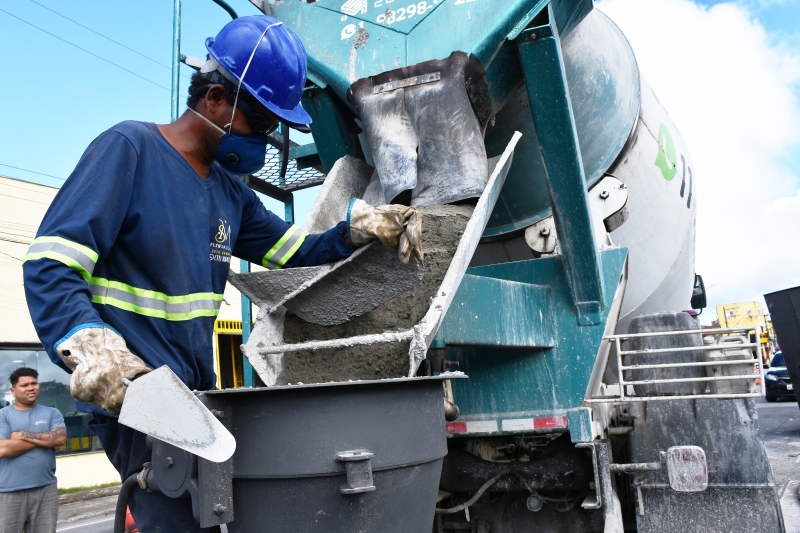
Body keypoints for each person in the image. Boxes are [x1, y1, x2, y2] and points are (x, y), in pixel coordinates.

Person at [22, 15, 422, 533]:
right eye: (260, 125)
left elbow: (294, 250)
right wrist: (88, 344)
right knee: (178, 520)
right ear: (215, 100)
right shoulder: (130, 151)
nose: (264, 141)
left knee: (215, 519)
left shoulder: (229, 193)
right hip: (139, 399)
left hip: (196, 395)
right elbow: (50, 263)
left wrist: (359, 227)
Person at [0, 368, 67, 533]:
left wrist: (21, 435)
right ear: (13, 391)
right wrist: (45, 439)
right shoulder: (3, 415)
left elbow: (59, 439)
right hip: (9, 492)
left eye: (34, 383)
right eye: (24, 385)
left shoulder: (52, 412)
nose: (31, 387)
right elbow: (3, 449)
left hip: (46, 489)